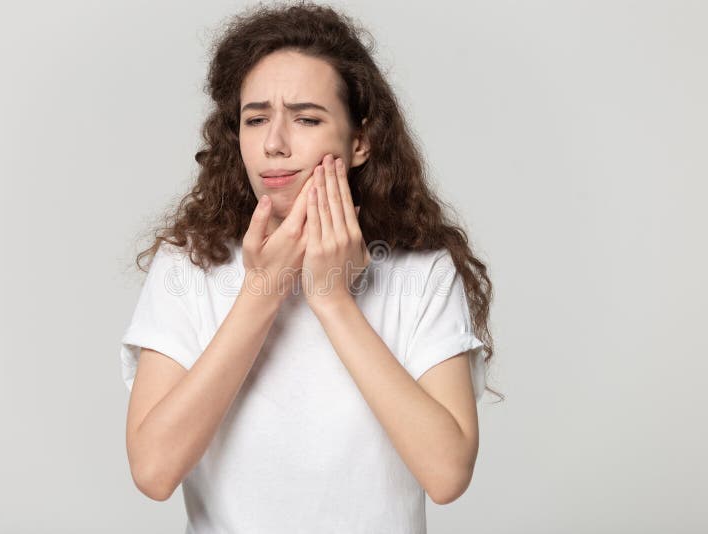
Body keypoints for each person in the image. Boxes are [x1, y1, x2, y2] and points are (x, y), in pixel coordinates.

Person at [119, 3, 500, 532]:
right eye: (256, 120)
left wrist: (333, 300)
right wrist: (261, 291)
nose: (275, 143)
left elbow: (447, 474)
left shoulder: (423, 271)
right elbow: (154, 471)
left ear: (360, 140)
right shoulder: (188, 265)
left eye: (306, 118)